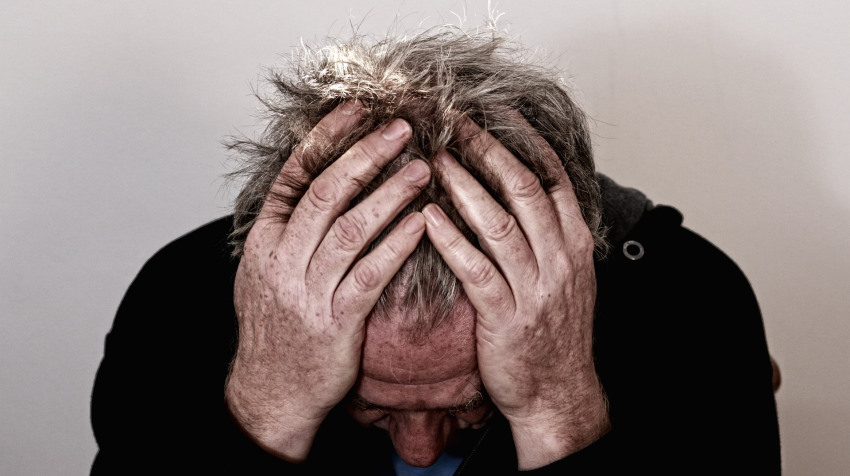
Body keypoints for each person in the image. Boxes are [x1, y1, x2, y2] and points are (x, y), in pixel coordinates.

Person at [90, 28, 781, 475]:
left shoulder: (695, 303)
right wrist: (266, 411)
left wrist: (555, 412)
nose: (419, 451)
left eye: (472, 403)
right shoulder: (177, 300)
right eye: (374, 407)